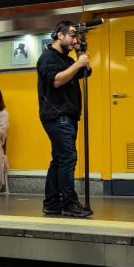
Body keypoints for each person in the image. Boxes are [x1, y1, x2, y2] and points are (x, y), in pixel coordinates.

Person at [37, 21, 93, 217]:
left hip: (68, 115)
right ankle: (69, 203)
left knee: (59, 159)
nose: (74, 39)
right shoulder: (47, 58)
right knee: (68, 158)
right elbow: (57, 80)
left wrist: (79, 53)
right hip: (57, 116)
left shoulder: (68, 60)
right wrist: (78, 63)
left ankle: (52, 203)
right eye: (71, 35)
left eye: (76, 36)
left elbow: (85, 71)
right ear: (59, 35)